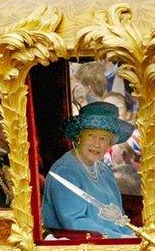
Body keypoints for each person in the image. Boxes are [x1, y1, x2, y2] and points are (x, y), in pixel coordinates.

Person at [42, 101, 135, 238]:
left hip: (113, 246)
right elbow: (74, 222)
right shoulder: (65, 170)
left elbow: (119, 219)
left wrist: (132, 234)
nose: (97, 144)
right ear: (79, 136)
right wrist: (119, 238)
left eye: (103, 138)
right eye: (91, 135)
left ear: (110, 143)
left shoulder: (105, 171)